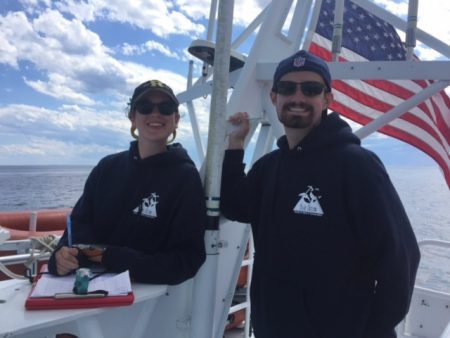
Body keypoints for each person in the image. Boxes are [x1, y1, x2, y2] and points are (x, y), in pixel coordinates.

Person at [220, 51, 420, 338]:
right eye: (288, 88)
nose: (298, 97)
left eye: (311, 89)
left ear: (327, 99)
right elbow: (234, 206)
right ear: (274, 97)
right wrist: (235, 148)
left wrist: (370, 330)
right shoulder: (268, 168)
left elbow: (401, 258)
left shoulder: (357, 165)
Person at [48, 79, 206, 285]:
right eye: (145, 107)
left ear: (176, 119)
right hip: (88, 292)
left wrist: (114, 258)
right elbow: (78, 228)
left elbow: (186, 260)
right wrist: (61, 257)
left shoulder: (185, 177)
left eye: (166, 108)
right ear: (133, 117)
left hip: (148, 304)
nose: (155, 114)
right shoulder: (107, 168)